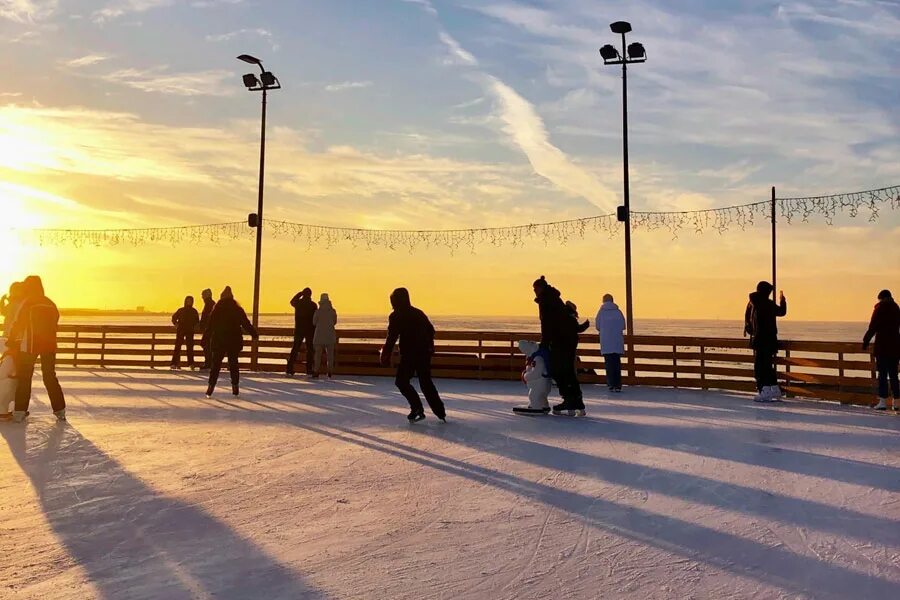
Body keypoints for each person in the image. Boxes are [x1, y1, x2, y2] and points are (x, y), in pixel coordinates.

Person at [380, 288, 446, 423]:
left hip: (409, 354)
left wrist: (386, 354)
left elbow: (391, 337)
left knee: (401, 381)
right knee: (426, 382)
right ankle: (440, 412)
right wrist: (430, 345)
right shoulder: (418, 313)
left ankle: (417, 408)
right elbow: (431, 330)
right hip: (423, 353)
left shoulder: (396, 315)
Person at [7, 276, 66, 422]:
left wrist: (12, 339)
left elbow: (19, 322)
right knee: (50, 376)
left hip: (30, 345)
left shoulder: (28, 302)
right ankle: (60, 410)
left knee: (25, 378)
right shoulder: (50, 303)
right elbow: (56, 321)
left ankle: (19, 411)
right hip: (49, 345)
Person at [533, 276, 585, 416]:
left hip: (561, 340)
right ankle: (576, 400)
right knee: (567, 369)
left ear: (540, 288)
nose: (534, 292)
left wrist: (544, 343)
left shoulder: (546, 301)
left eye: (535, 289)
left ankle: (569, 399)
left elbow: (547, 324)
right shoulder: (554, 298)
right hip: (568, 338)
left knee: (559, 370)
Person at [202, 286, 258, 398]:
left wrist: (205, 338)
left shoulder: (217, 309)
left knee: (216, 365)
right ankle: (235, 387)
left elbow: (210, 326)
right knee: (233, 364)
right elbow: (245, 323)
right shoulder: (237, 309)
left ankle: (210, 387)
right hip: (234, 341)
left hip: (219, 341)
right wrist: (254, 333)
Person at [744, 281, 787, 402]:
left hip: (760, 340)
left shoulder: (755, 303)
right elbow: (782, 312)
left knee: (760, 367)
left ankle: (765, 389)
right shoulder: (767, 304)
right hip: (769, 340)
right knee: (767, 366)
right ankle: (773, 388)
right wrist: (782, 301)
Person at [862, 289, 900, 411]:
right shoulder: (896, 309)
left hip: (882, 347)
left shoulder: (879, 309)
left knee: (882, 375)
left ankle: (883, 402)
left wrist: (866, 341)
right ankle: (897, 402)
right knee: (894, 375)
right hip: (894, 348)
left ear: (881, 298)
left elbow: (873, 327)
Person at [596, 293, 626, 393]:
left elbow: (597, 326)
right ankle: (618, 385)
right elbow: (623, 325)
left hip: (606, 342)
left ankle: (611, 384)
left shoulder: (601, 312)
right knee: (617, 363)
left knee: (608, 364)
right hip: (617, 341)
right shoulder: (618, 312)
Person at [287, 288, 317, 376]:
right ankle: (309, 369)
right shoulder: (313, 305)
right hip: (310, 330)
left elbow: (292, 301)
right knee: (310, 350)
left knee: (295, 349)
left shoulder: (298, 303)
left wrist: (299, 294)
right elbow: (315, 318)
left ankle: (289, 368)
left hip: (299, 329)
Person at [311, 293, 338, 379]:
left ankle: (316, 371)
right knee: (330, 355)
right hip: (330, 335)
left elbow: (314, 322)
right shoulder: (333, 311)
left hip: (319, 336)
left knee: (317, 355)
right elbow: (334, 322)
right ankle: (330, 371)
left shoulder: (318, 312)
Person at [170, 296, 200, 370]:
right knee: (178, 347)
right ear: (185, 301)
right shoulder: (181, 310)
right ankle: (174, 363)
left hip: (190, 331)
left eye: (190, 301)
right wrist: (176, 324)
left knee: (190, 347)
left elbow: (197, 321)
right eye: (188, 301)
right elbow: (174, 317)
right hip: (181, 330)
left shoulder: (194, 311)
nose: (189, 302)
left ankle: (191, 363)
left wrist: (196, 326)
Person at [198, 288, 216, 370]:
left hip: (209, 329)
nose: (202, 297)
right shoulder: (210, 304)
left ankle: (209, 363)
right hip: (209, 328)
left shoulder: (209, 304)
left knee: (206, 345)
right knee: (207, 345)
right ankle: (209, 363)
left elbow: (207, 317)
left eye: (203, 295)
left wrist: (202, 325)